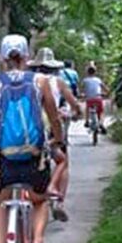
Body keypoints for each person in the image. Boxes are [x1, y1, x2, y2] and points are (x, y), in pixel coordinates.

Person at [0, 34, 63, 243]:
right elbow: (54, 117)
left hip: (1, 161)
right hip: (34, 158)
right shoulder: (41, 81)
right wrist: (58, 138)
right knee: (40, 199)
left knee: (0, 202)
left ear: (2, 58)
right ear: (27, 57)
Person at [27, 47, 81, 222]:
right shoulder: (58, 82)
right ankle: (58, 202)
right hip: (52, 126)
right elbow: (75, 105)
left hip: (30, 128)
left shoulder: (28, 81)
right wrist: (75, 113)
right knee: (62, 161)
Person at [81, 62, 110, 134]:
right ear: (95, 72)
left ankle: (87, 121)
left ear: (87, 72)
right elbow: (105, 89)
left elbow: (82, 90)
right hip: (98, 98)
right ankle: (101, 124)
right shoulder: (98, 80)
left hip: (89, 99)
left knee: (87, 108)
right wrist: (107, 93)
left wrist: (82, 95)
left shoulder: (85, 80)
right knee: (102, 112)